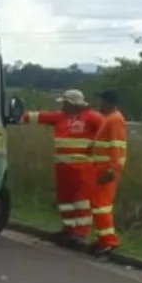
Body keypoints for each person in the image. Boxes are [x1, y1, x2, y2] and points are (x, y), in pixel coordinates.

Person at [20, 90, 102, 243]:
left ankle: (80, 233)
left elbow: (107, 131)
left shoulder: (92, 117)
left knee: (82, 201)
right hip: (62, 167)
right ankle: (68, 229)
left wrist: (98, 148)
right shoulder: (60, 117)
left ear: (73, 104)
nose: (63, 106)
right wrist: (18, 115)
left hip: (83, 168)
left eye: (65, 103)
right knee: (65, 200)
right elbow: (39, 116)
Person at [89, 89, 128, 254]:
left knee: (102, 207)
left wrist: (111, 171)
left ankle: (108, 241)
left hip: (107, 171)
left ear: (109, 103)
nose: (99, 105)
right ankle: (103, 239)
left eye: (102, 102)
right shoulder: (110, 119)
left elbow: (117, 148)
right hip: (101, 169)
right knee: (99, 206)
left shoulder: (115, 120)